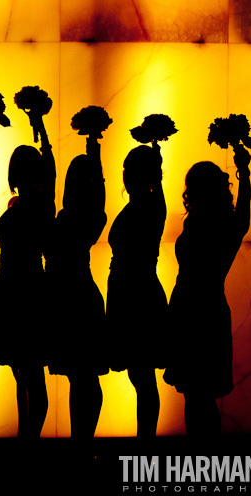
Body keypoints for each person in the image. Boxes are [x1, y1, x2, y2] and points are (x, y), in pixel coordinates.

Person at [163, 145, 251, 437]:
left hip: (193, 310)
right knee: (198, 394)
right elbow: (244, 212)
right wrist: (244, 173)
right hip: (204, 309)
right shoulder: (227, 225)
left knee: (195, 393)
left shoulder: (209, 224)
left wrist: (245, 173)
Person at [0, 109, 54, 440]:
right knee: (23, 371)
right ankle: (25, 437)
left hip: (25, 286)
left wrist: (40, 126)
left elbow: (51, 167)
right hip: (15, 285)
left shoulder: (41, 205)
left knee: (29, 371)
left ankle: (29, 441)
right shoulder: (24, 204)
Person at [44, 132, 107, 439]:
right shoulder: (87, 220)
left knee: (79, 376)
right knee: (83, 376)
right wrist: (94, 153)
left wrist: (93, 154)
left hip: (69, 300)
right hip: (79, 296)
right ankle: (82, 440)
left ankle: (81, 441)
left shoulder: (70, 219)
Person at [107, 144, 167, 438]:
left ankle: (146, 441)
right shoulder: (146, 206)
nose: (126, 177)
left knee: (142, 376)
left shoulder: (150, 206)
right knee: (140, 375)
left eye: (131, 171)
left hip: (137, 295)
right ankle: (146, 440)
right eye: (126, 171)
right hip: (129, 293)